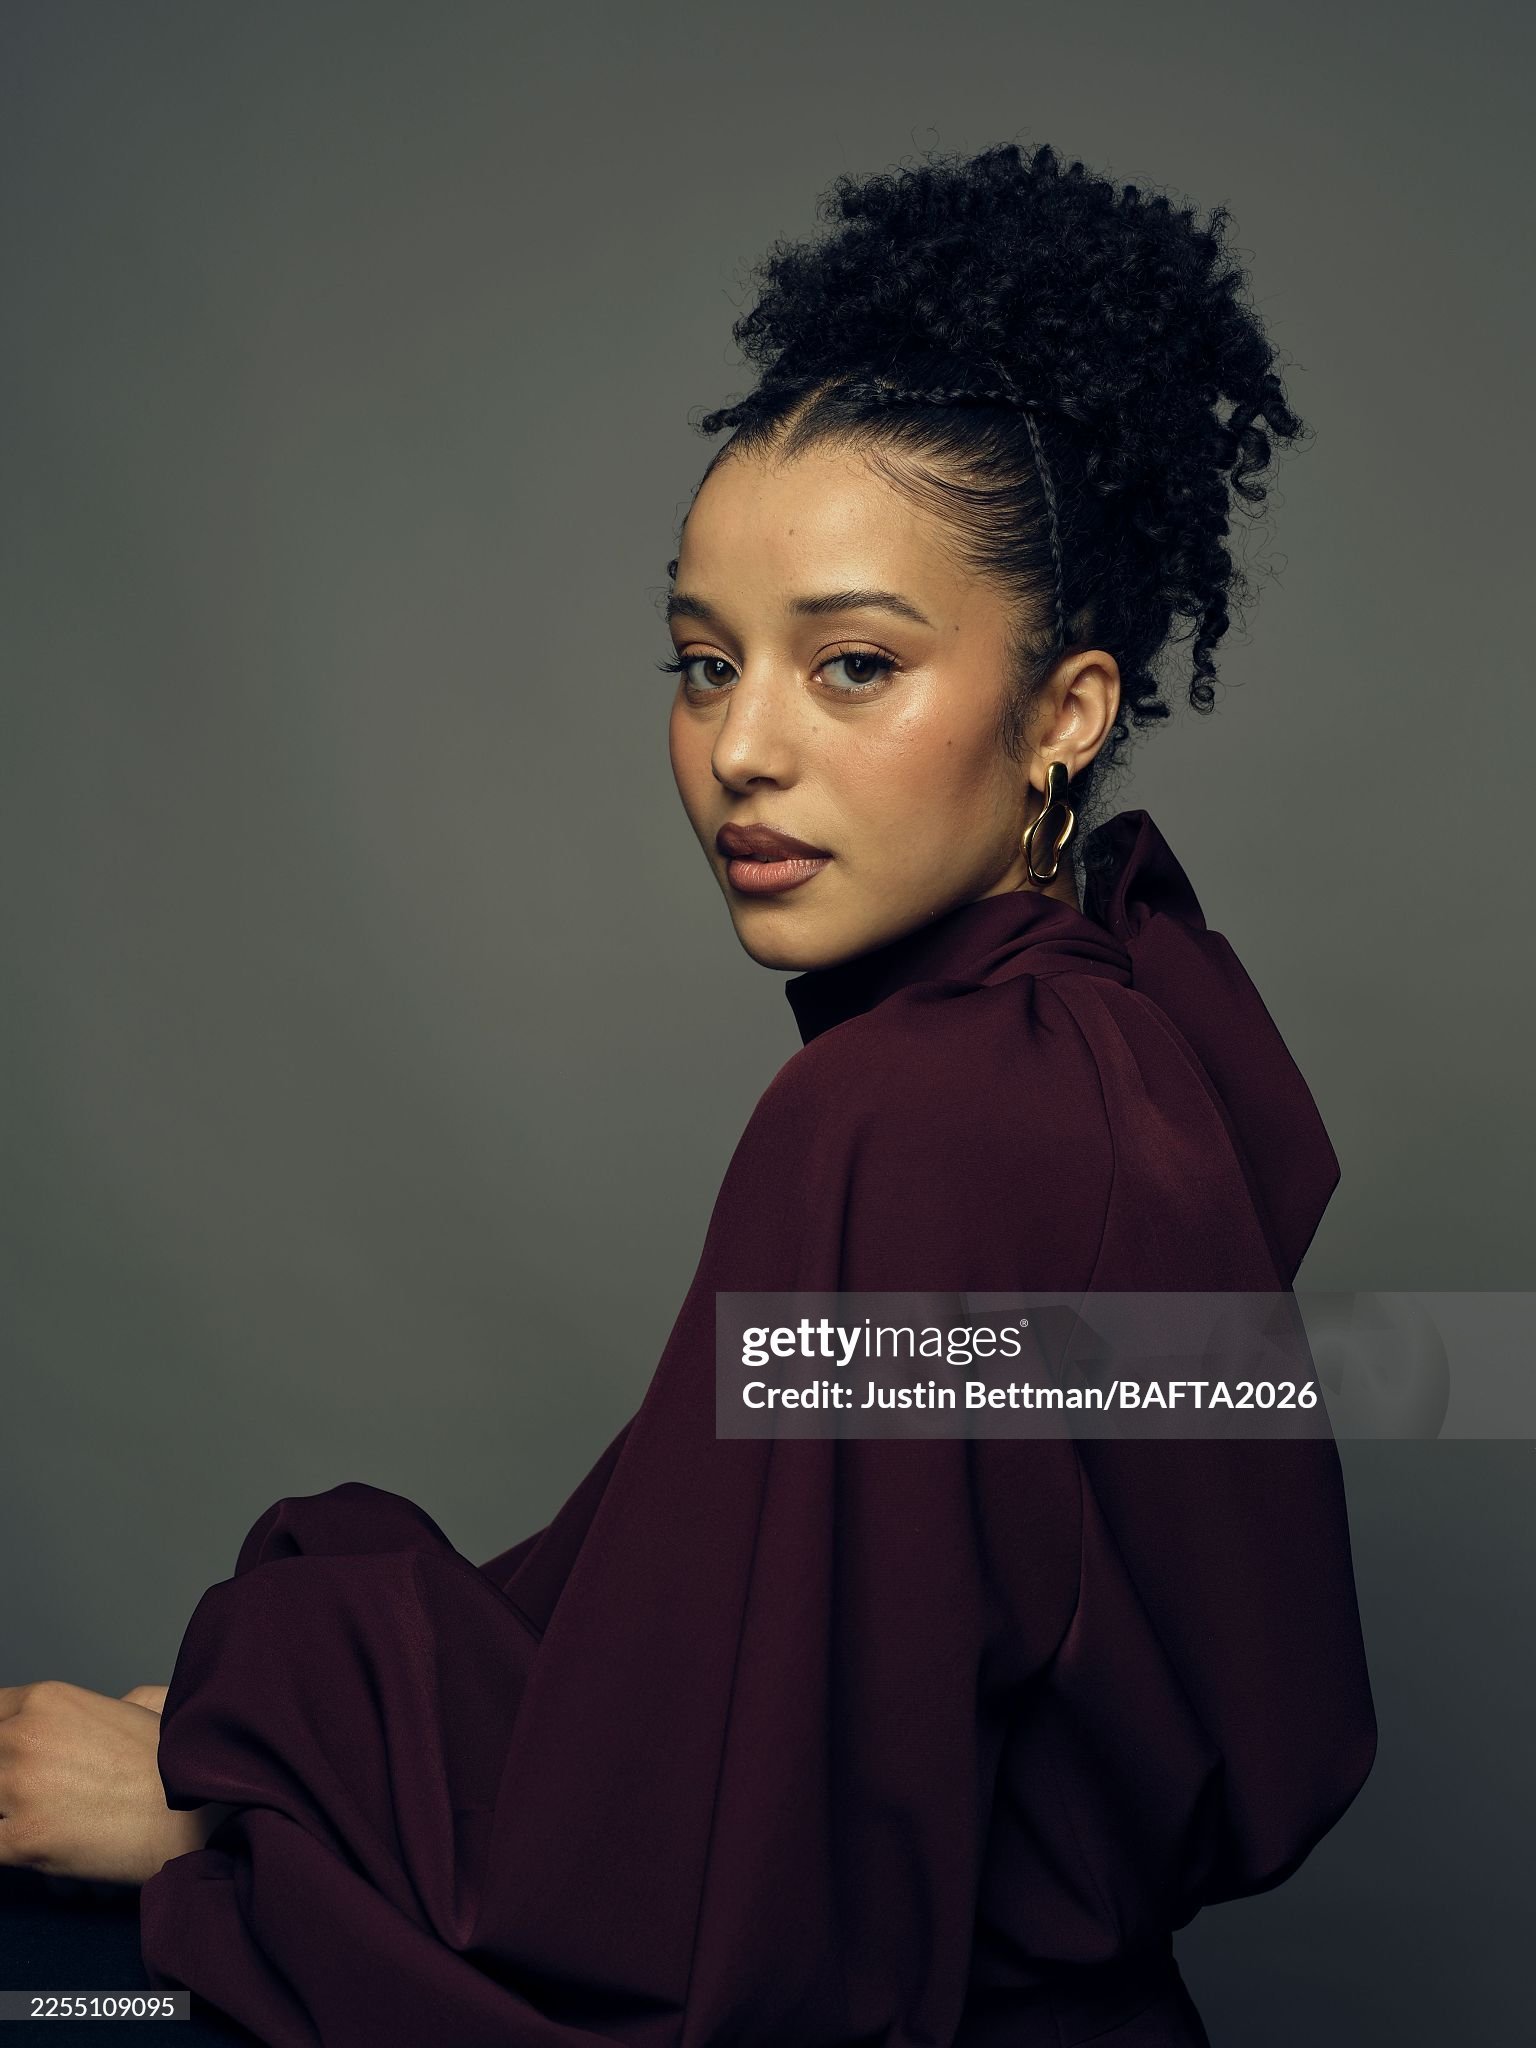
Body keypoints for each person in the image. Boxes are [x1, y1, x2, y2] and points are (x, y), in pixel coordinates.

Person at [0, 139, 1376, 2047]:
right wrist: (280, 1753)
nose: (741, 748)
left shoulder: (902, 1121)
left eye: (854, 666)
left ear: (1065, 711)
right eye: (705, 663)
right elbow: (756, 1680)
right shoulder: (1127, 1040)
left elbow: (722, 1903)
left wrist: (228, 1809)